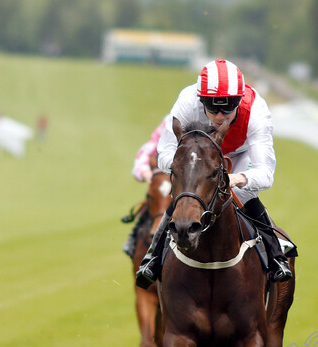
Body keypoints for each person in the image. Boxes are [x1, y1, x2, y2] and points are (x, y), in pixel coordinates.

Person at [136, 59, 293, 286]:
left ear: (240, 100)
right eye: (212, 106)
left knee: (243, 195)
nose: (220, 116)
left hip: (239, 156)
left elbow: (266, 174)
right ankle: (153, 256)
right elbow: (164, 155)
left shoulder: (257, 111)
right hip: (200, 158)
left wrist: (234, 178)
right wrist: (191, 169)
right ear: (201, 100)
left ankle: (276, 254)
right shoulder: (187, 102)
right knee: (186, 193)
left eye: (228, 106)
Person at [122, 114, 170, 258]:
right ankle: (134, 242)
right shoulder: (170, 121)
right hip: (164, 178)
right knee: (157, 194)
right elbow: (146, 153)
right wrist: (146, 173)